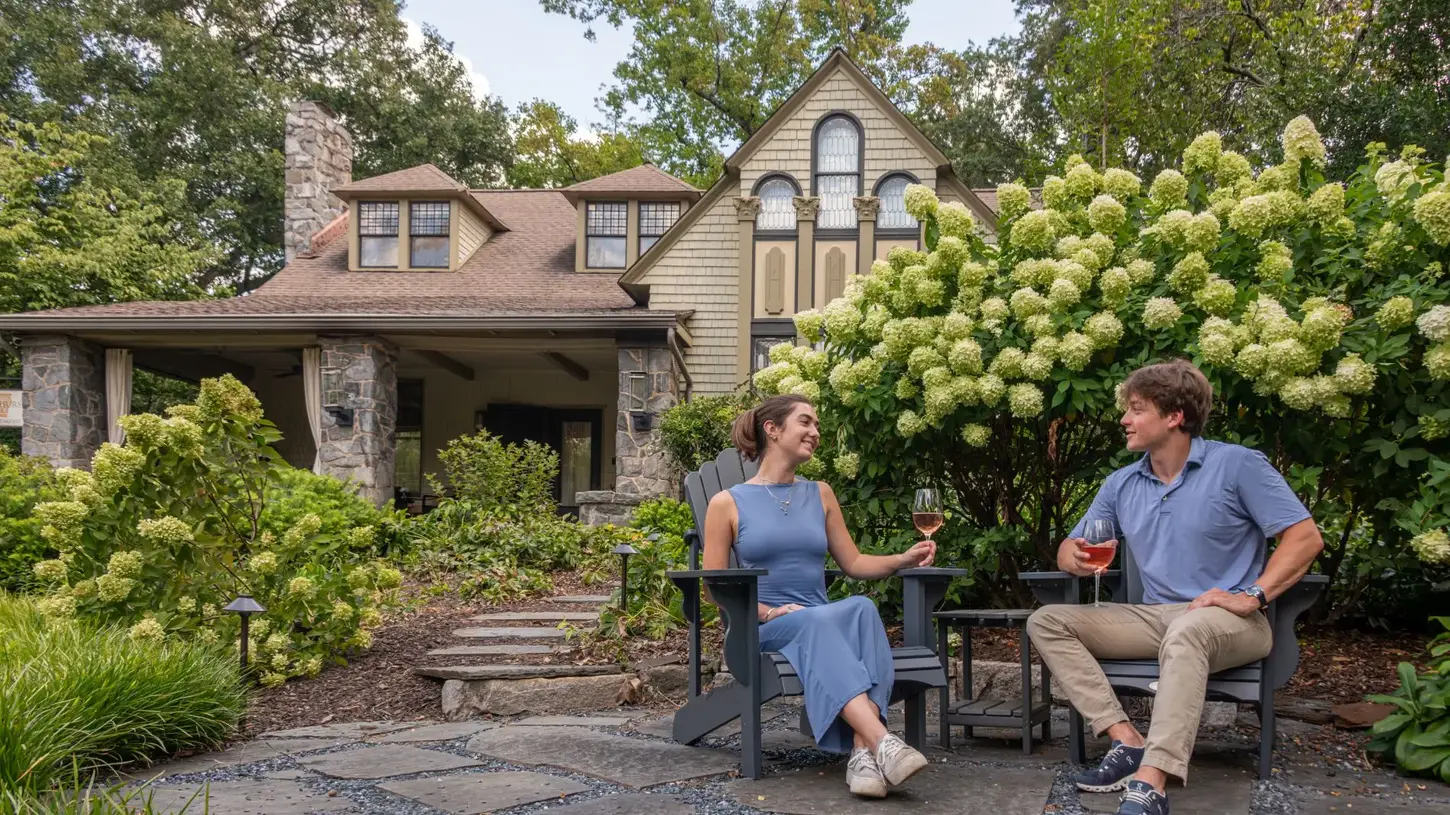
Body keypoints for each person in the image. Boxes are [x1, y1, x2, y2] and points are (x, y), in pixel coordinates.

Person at [1026, 360, 1323, 815]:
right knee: (1046, 621)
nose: (1125, 419)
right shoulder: (1122, 482)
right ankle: (1126, 741)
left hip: (1232, 620)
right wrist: (1077, 557)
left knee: (1189, 629)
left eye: (1137, 409)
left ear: (1174, 416)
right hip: (1156, 617)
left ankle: (1152, 781)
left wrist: (1252, 595)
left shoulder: (1237, 465)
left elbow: (1305, 538)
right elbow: (1070, 547)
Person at [701, 393, 936, 798]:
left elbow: (855, 563)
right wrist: (770, 612)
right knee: (818, 621)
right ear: (773, 431)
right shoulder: (727, 503)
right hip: (762, 629)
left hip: (817, 624)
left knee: (861, 607)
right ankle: (883, 741)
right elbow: (713, 588)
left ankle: (863, 755)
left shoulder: (820, 493)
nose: (815, 432)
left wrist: (903, 558)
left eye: (817, 425)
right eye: (805, 423)